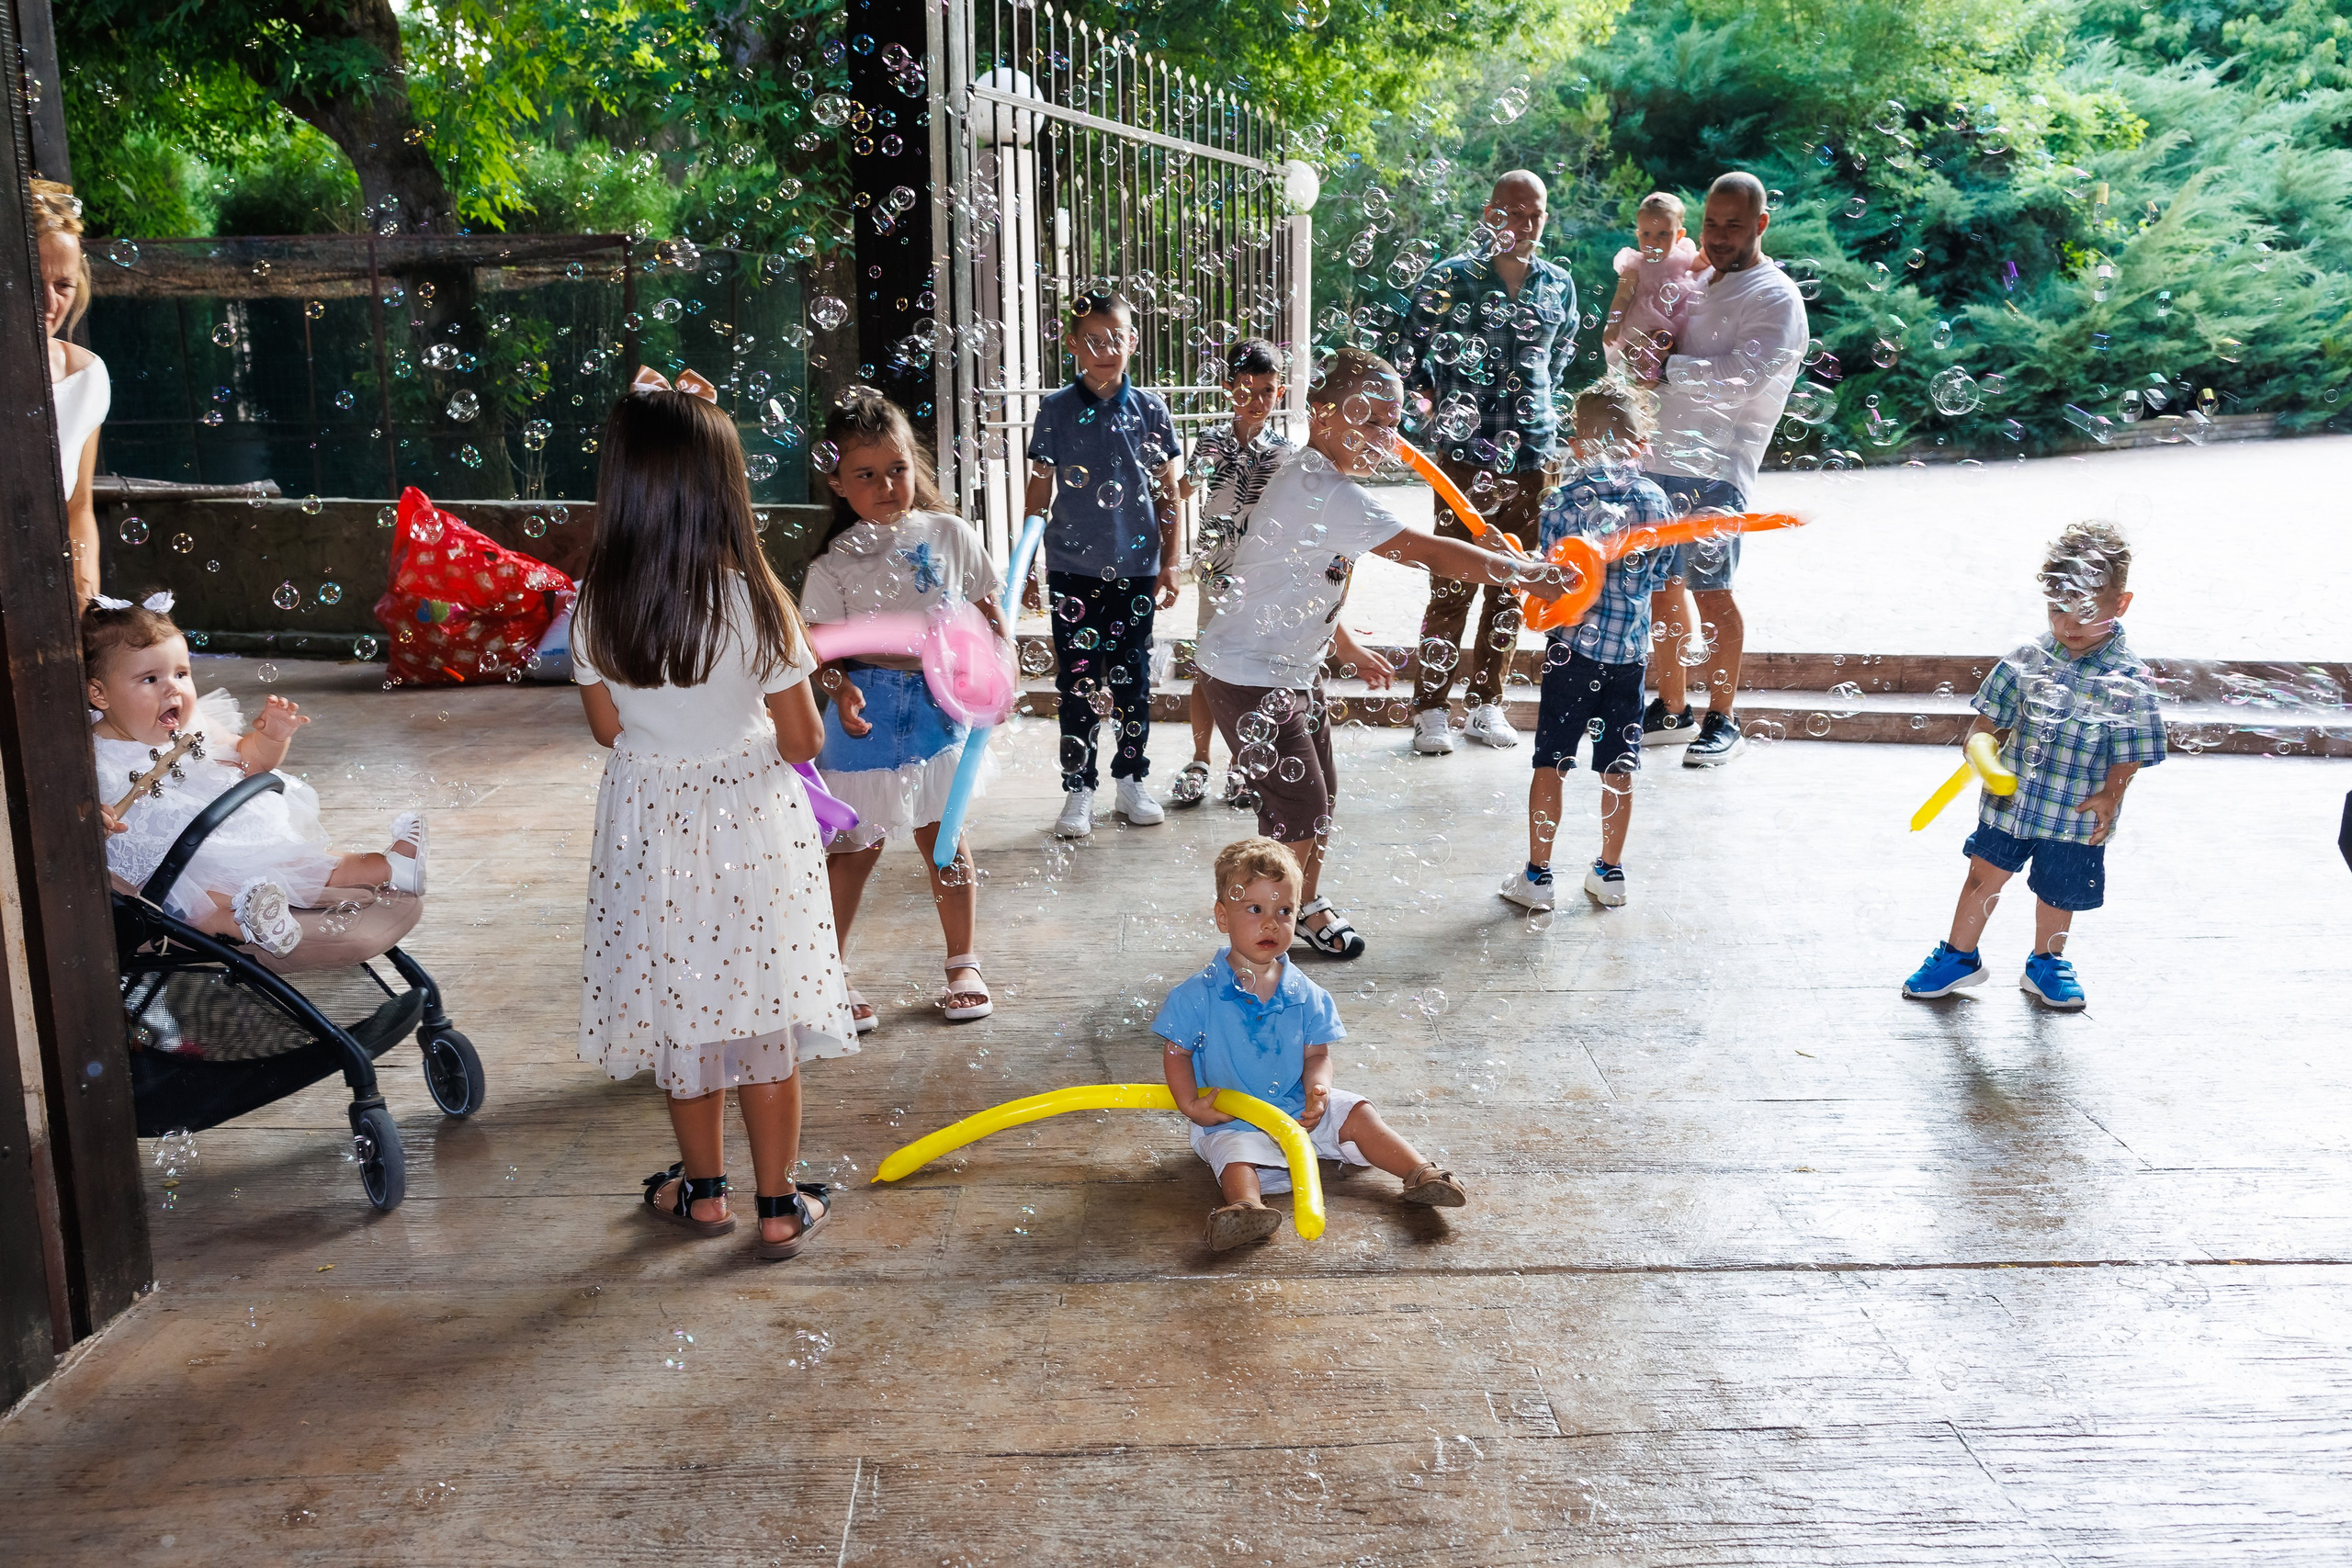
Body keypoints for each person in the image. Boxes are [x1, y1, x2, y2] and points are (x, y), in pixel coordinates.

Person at [572, 378, 856, 1262]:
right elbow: (801, 735)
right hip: (750, 834)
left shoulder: (596, 606)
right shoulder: (756, 599)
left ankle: (702, 1196)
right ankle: (778, 1204)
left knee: (684, 1015)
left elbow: (607, 728)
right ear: (724, 491)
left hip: (651, 833)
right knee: (762, 1016)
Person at [1191, 347, 1562, 961]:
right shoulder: (1322, 487)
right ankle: (1257, 943)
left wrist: (1347, 643)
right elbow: (1428, 550)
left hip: (1287, 667)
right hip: (1247, 671)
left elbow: (1302, 580)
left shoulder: (1321, 482)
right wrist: (1520, 572)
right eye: (1369, 419)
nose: (1384, 436)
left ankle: (1299, 906)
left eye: (1392, 423)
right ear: (1321, 414)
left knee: (1316, 795)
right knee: (1301, 804)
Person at [803, 389, 1006, 1032]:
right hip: (862, 711)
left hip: (935, 707)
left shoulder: (949, 533)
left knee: (944, 841)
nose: (888, 484)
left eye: (897, 468)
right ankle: (828, 974)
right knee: (853, 848)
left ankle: (963, 964)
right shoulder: (831, 565)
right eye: (866, 474)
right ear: (837, 482)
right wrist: (839, 687)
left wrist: (995, 669)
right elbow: (817, 651)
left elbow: (988, 612)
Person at [1153, 836, 1467, 1250]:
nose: (1271, 923)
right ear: (1222, 916)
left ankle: (1420, 1172)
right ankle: (1246, 1209)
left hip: (1300, 1109)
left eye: (1284, 911)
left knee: (1357, 1110)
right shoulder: (1197, 994)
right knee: (1233, 1152)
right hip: (1231, 1113)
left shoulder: (1307, 992)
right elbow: (1177, 1052)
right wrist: (1191, 1104)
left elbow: (1317, 1054)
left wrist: (1318, 1090)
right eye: (1255, 909)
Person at [1902, 522, 2166, 1011]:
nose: (2069, 624)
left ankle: (2047, 963)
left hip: (2075, 811)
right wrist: (1980, 747)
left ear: (2121, 604)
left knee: (2058, 891)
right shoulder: (2030, 659)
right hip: (2011, 802)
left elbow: (2131, 748)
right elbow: (1987, 723)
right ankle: (1959, 956)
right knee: (1982, 877)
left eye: (2085, 611)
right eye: (2057, 608)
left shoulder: (2129, 677)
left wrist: (2113, 793)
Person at [85, 592, 425, 958]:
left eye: (182, 673)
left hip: (234, 838)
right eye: (150, 679)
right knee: (202, 905)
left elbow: (249, 760)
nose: (174, 689)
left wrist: (270, 738)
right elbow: (84, 814)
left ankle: (392, 867)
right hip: (170, 868)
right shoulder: (92, 754)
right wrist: (96, 819)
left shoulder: (197, 725)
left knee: (307, 862)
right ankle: (254, 923)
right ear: (99, 694)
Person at [1383, 170, 1578, 757]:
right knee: (1453, 580)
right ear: (1487, 212)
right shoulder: (1447, 279)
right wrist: (1433, 413)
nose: (1519, 225)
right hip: (1465, 457)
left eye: (1532, 215)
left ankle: (1486, 704)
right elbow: (1405, 359)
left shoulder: (1558, 284)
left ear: (1544, 220)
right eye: (1509, 211)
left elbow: (1559, 359)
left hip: (1535, 457)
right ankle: (1431, 710)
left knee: (1513, 584)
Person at [1639, 170, 1809, 767]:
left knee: (1712, 592)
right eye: (1710, 223)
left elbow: (1744, 378)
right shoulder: (1694, 279)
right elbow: (1649, 338)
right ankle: (1672, 707)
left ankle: (1723, 717)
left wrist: (1667, 368)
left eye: (1733, 225)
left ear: (1761, 224)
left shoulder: (1775, 296)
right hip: (1662, 457)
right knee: (1663, 587)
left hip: (1721, 465)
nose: (1717, 236)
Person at [1498, 383, 1680, 914]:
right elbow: (1665, 574)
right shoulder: (1655, 501)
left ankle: (1538, 876)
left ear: (1578, 444)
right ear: (1641, 443)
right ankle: (1610, 871)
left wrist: (1514, 566)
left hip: (1571, 656)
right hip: (1628, 659)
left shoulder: (1560, 503)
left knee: (1550, 762)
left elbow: (1547, 581)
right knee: (1619, 768)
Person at [1022, 291, 1182, 838]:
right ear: (1072, 345)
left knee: (1132, 677)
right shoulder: (1055, 410)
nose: (1106, 348)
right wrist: (1025, 567)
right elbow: (1038, 490)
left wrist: (1171, 562)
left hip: (1136, 567)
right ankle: (1079, 789)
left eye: (1116, 337)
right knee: (1078, 680)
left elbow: (1168, 494)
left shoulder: (1151, 410)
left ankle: (1131, 777)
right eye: (1092, 339)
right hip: (1071, 570)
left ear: (1133, 341)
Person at [1170, 337, 1292, 811]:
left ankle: (1242, 764)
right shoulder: (1211, 441)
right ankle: (1199, 760)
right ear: (1228, 389)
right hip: (1216, 574)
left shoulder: (1285, 453)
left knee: (1254, 670)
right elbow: (1183, 489)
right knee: (1208, 667)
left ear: (1279, 394)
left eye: (1266, 390)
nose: (1256, 400)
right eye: (1246, 389)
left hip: (1263, 577)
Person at [32, 179, 107, 604]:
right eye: (32, 279)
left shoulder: (89, 377)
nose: (48, 301)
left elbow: (78, 508)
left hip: (40, 594)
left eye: (63, 285)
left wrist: (83, 604)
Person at [1602, 191, 1703, 385]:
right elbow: (1622, 297)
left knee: (1668, 364)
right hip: (1642, 327)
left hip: (1674, 324)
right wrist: (1614, 322)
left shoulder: (1684, 257)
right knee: (1641, 366)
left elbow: (1706, 262)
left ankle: (1655, 395)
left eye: (1663, 234)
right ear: (1638, 234)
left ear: (1679, 235)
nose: (1653, 241)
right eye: (1646, 234)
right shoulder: (1635, 266)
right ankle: (1640, 398)